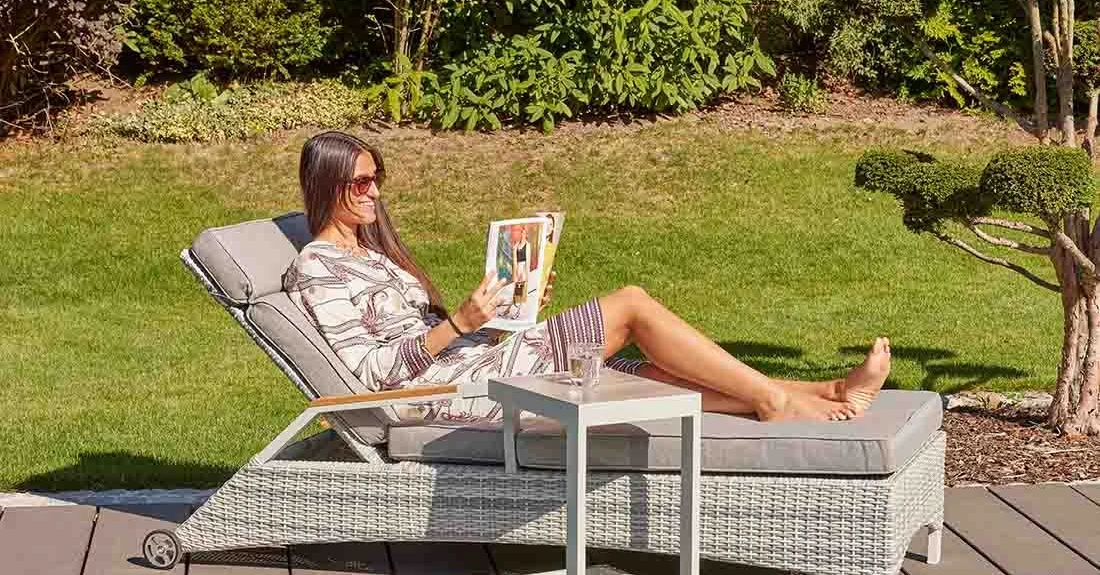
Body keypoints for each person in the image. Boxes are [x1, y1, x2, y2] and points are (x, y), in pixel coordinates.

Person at [284, 131, 891, 426]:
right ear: (327, 186)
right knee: (629, 306)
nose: (375, 192)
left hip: (478, 363)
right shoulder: (316, 268)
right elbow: (371, 375)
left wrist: (507, 308)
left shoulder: (374, 253)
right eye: (361, 182)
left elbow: (435, 339)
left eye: (377, 178)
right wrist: (461, 322)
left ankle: (827, 390)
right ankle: (774, 400)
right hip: (447, 397)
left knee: (632, 371)